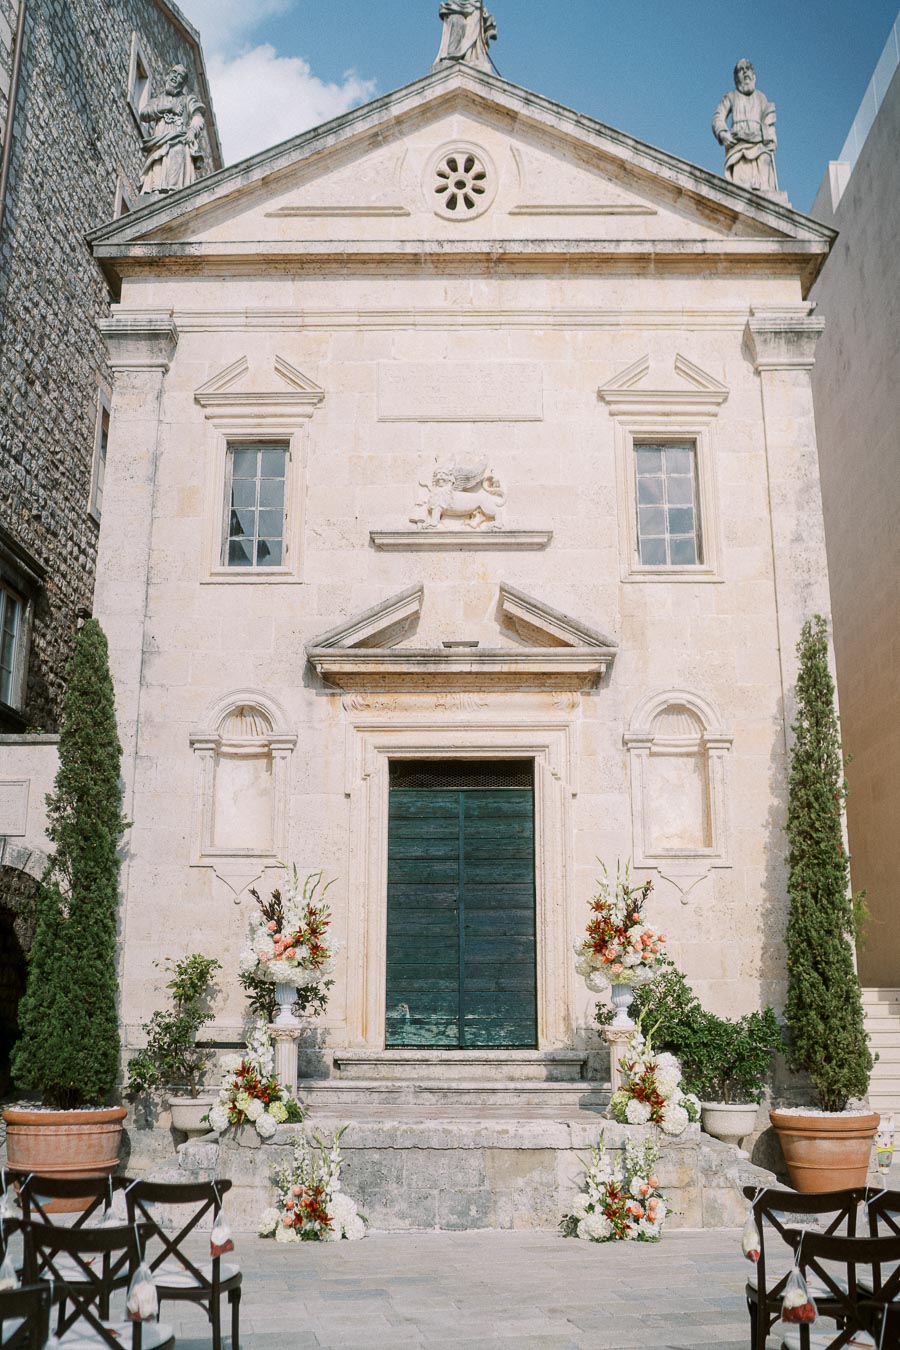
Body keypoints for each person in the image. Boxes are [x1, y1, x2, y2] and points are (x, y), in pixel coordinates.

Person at [712, 59, 778, 194]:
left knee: (765, 163)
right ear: (736, 78)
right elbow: (718, 117)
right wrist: (723, 133)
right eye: (741, 70)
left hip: (759, 143)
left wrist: (772, 140)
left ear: (754, 76)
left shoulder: (761, 98)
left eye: (748, 69)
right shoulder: (731, 96)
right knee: (740, 189)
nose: (745, 72)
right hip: (739, 145)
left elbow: (769, 122)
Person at [139, 64, 205, 196]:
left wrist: (192, 130)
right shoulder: (158, 100)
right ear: (167, 76)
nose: (176, 76)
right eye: (174, 72)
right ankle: (155, 191)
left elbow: (198, 117)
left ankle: (173, 192)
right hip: (159, 141)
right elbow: (144, 114)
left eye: (180, 76)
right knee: (157, 163)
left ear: (183, 84)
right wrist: (167, 108)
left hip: (178, 139)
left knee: (177, 153)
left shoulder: (187, 100)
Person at [434, 1, 497, 71]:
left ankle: (470, 56)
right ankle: (454, 56)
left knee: (476, 16)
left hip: (474, 7)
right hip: (457, 7)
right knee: (458, 21)